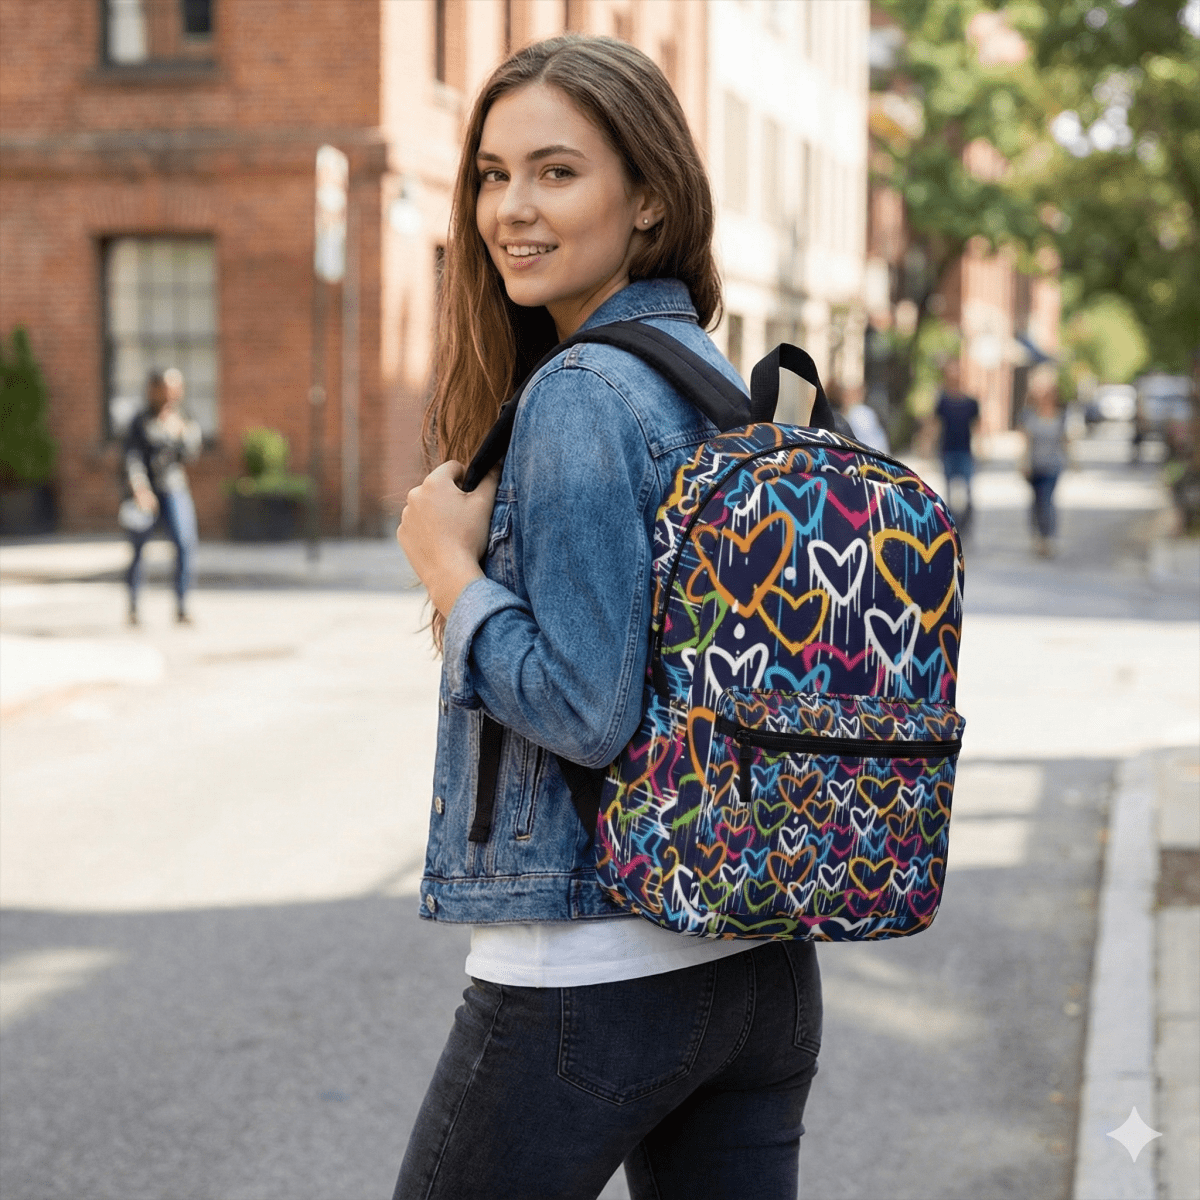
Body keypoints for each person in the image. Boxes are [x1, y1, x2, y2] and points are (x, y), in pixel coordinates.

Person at [394, 35, 821, 1200]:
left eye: (556, 171)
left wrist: (450, 573)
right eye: (492, 174)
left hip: (595, 967)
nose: (511, 209)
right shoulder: (713, 382)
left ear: (649, 200)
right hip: (759, 958)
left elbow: (588, 711)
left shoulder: (583, 392)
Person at [122, 367, 201, 625]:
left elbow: (191, 452)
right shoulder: (139, 421)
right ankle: (133, 606)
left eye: (175, 390)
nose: (170, 396)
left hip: (174, 489)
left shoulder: (182, 418)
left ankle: (182, 606)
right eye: (165, 390)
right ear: (153, 390)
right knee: (138, 549)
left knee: (184, 543)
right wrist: (139, 489)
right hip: (146, 491)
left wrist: (183, 435)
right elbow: (132, 459)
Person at [1021, 371, 1069, 557]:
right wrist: (1024, 462)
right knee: (1036, 503)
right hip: (1034, 465)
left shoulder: (1061, 415)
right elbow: (1026, 442)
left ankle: (1048, 538)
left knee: (1047, 501)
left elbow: (1064, 440)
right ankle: (1038, 536)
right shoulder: (1029, 415)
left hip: (1053, 465)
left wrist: (1073, 460)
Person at [934, 359, 981, 534]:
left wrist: (982, 446)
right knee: (948, 492)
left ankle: (966, 524)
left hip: (965, 451)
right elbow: (936, 424)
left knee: (968, 492)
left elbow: (977, 426)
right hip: (947, 450)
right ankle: (951, 525)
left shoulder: (970, 402)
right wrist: (927, 446)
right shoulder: (942, 401)